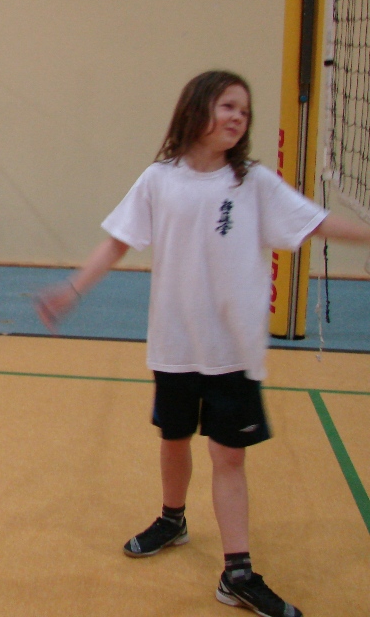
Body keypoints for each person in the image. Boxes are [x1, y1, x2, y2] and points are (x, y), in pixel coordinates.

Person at [36, 70, 370, 617]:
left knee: (228, 456)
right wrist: (72, 289)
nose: (238, 117)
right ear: (196, 109)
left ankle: (237, 574)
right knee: (173, 439)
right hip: (175, 344)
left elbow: (314, 223)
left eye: (245, 110)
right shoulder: (158, 179)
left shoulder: (253, 182)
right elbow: (118, 242)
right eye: (227, 105)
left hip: (232, 350)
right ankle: (173, 519)